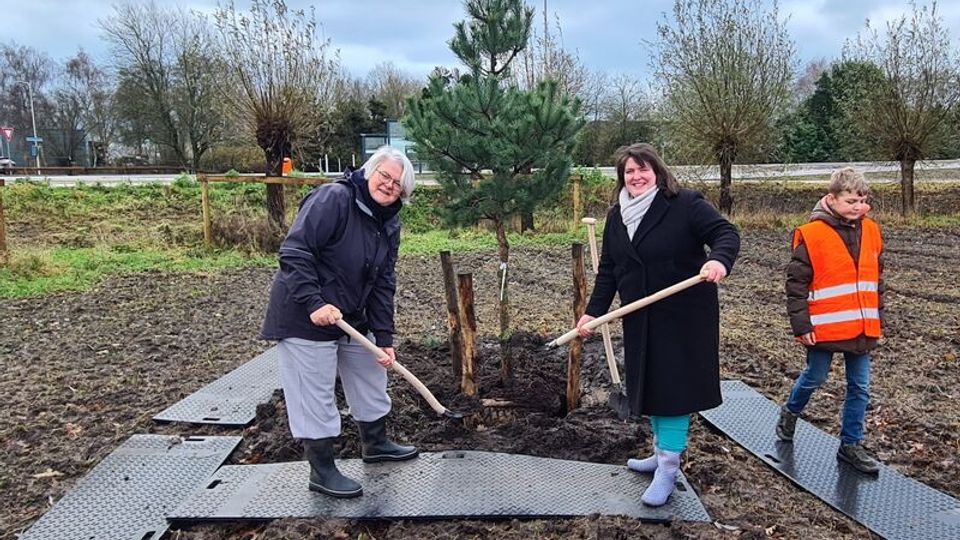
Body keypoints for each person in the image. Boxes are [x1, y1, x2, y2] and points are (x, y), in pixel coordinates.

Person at [575, 143, 740, 507]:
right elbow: (610, 270)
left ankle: (668, 466)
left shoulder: (685, 204)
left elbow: (726, 235)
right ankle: (658, 451)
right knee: (650, 385)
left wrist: (719, 262)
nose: (636, 177)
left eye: (642, 169)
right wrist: (593, 312)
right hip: (641, 315)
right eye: (629, 172)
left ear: (658, 171)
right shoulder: (617, 215)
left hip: (683, 316)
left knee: (674, 392)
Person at [261, 146, 419, 498]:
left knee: (370, 371)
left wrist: (383, 336)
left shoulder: (389, 223)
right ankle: (322, 470)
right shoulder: (333, 199)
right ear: (369, 171)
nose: (390, 186)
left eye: (398, 184)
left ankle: (375, 443)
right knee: (313, 390)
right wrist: (315, 302)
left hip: (351, 314)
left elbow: (382, 282)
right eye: (385, 176)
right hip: (305, 313)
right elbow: (294, 252)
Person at [776, 167, 883, 475]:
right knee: (815, 377)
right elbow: (796, 285)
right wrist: (803, 326)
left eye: (863, 201)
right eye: (851, 201)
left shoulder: (872, 231)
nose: (858, 207)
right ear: (831, 199)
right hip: (823, 327)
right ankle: (790, 413)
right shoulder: (811, 235)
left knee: (860, 388)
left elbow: (878, 281)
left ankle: (851, 445)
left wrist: (878, 319)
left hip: (861, 327)